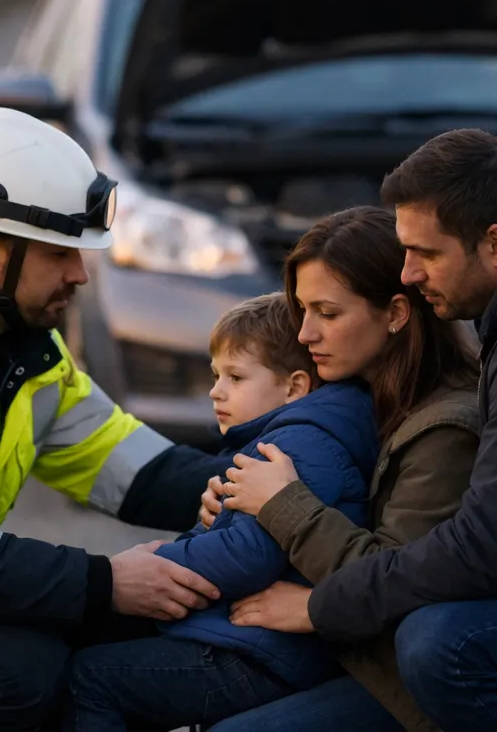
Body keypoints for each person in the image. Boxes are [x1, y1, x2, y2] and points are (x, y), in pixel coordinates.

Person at [0, 108, 231, 732]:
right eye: (61, 253)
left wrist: (252, 494)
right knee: (16, 672)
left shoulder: (13, 334)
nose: (80, 275)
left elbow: (115, 456)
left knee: (131, 627)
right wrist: (105, 581)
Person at [244, 130, 497, 732]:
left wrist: (323, 605)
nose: (408, 273)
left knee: (444, 643)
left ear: (495, 244)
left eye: (426, 254)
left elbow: (485, 549)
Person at [194, 206, 481, 732]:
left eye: (327, 313)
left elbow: (404, 580)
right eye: (302, 310)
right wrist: (235, 502)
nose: (304, 334)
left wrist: (284, 512)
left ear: (395, 313)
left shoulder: (446, 430)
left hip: (401, 680)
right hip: (346, 651)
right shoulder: (357, 401)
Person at [63, 290, 379, 730]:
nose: (215, 391)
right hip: (249, 643)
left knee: (92, 679)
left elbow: (248, 556)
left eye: (235, 377)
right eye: (216, 375)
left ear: (294, 386)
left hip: (259, 655)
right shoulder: (292, 437)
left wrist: (156, 563)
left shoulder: (297, 444)